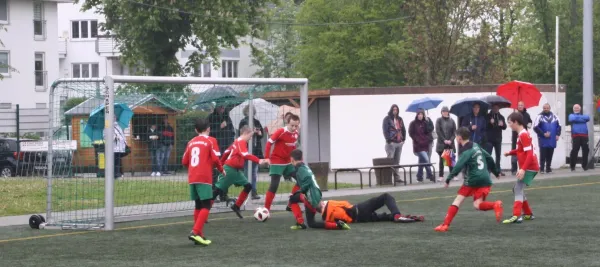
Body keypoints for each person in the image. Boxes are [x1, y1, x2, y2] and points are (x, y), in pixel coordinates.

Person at [434, 127, 503, 232]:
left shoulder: (465, 151)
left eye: (456, 136)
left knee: (458, 200)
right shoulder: (476, 145)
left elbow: (458, 166)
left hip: (472, 180)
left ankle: (445, 225)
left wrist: (448, 179)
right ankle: (495, 205)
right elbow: (489, 157)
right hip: (485, 178)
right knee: (477, 205)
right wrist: (496, 172)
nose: (456, 137)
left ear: (459, 138)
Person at [182, 118, 225, 246]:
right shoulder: (209, 142)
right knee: (206, 205)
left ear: (196, 130)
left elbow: (184, 161)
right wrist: (222, 170)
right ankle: (195, 232)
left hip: (192, 177)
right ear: (208, 129)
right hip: (204, 177)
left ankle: (200, 236)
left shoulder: (190, 142)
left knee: (198, 206)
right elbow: (216, 159)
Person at [287, 149, 350, 230]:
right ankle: (300, 222)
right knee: (293, 199)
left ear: (291, 159)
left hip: (311, 197)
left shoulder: (300, 170)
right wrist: (297, 192)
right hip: (314, 194)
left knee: (312, 223)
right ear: (302, 158)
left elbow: (308, 180)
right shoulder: (304, 167)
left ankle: (337, 225)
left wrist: (301, 191)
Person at [214, 126, 266, 219]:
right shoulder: (241, 142)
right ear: (245, 133)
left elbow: (226, 152)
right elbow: (245, 155)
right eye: (250, 136)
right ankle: (204, 209)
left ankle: (236, 206)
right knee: (218, 190)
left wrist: (220, 164)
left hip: (236, 170)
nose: (250, 138)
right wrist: (258, 160)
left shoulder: (236, 142)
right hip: (230, 169)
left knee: (248, 186)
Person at [503, 112, 539, 224]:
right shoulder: (523, 134)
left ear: (515, 122)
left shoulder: (523, 135)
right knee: (517, 189)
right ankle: (528, 214)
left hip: (530, 167)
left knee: (518, 188)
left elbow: (529, 153)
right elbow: (521, 150)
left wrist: (523, 169)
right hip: (530, 166)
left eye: (510, 123)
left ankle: (517, 215)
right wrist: (510, 152)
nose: (509, 125)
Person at [263, 114, 300, 211]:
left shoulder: (296, 133)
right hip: (277, 161)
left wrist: (296, 160)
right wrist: (267, 157)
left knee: (300, 180)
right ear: (287, 123)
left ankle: (290, 204)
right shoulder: (281, 131)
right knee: (274, 185)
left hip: (288, 162)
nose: (294, 128)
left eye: (296, 126)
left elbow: (293, 147)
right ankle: (266, 209)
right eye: (292, 125)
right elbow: (269, 143)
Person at [320, 193, 424, 224]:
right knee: (386, 197)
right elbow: (345, 203)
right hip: (359, 209)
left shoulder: (326, 218)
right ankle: (397, 215)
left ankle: (404, 218)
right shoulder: (330, 203)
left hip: (360, 220)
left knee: (385, 217)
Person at [238, 105, 264, 200]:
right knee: (246, 172)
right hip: (246, 149)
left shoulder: (257, 122)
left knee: (254, 172)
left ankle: (253, 191)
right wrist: (250, 132)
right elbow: (240, 135)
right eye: (249, 110)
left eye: (252, 110)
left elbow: (261, 134)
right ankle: (246, 191)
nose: (251, 112)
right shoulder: (243, 122)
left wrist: (259, 133)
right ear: (245, 111)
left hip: (256, 149)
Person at [533, 103, 561, 174]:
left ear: (549, 108)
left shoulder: (555, 116)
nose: (546, 109)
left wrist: (557, 134)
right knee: (543, 153)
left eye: (547, 108)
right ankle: (542, 168)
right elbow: (535, 127)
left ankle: (548, 168)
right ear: (543, 108)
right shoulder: (539, 116)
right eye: (544, 108)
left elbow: (559, 126)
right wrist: (543, 134)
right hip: (543, 138)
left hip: (552, 139)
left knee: (550, 153)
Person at [382, 104, 406, 183]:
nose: (395, 111)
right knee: (390, 161)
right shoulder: (387, 119)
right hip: (391, 143)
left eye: (396, 109)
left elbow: (403, 129)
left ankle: (397, 178)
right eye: (394, 109)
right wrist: (389, 140)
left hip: (399, 142)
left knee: (397, 161)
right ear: (391, 110)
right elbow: (385, 130)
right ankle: (387, 179)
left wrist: (403, 140)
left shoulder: (399, 119)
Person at [408, 110, 434, 182]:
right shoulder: (413, 123)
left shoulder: (425, 122)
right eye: (419, 114)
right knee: (426, 159)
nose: (420, 116)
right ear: (417, 115)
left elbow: (430, 129)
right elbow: (411, 133)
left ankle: (419, 176)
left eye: (421, 114)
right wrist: (417, 140)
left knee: (421, 161)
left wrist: (429, 120)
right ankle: (430, 175)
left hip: (425, 144)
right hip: (418, 146)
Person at [485, 104, 507, 176]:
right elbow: (485, 126)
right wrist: (489, 123)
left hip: (498, 139)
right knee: (488, 155)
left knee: (498, 155)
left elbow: (505, 127)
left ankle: (498, 170)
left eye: (497, 108)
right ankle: (488, 170)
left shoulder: (501, 117)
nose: (496, 109)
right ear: (492, 108)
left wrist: (502, 124)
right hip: (489, 139)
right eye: (494, 108)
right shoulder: (488, 116)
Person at [435, 106, 457, 181]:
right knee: (442, 160)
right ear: (441, 112)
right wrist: (444, 140)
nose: (444, 112)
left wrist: (450, 140)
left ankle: (453, 175)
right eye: (443, 111)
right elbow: (438, 131)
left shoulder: (452, 121)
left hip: (450, 143)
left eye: (446, 111)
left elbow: (454, 132)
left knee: (451, 160)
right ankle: (441, 176)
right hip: (441, 144)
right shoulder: (438, 120)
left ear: (448, 112)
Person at [511, 101, 532, 175]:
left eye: (521, 105)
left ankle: (523, 168)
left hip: (523, 136)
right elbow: (511, 123)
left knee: (524, 152)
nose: (520, 106)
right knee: (515, 151)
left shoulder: (527, 115)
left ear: (524, 106)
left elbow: (530, 122)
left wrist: (529, 125)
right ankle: (513, 169)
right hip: (515, 136)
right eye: (519, 105)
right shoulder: (514, 115)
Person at [568, 104, 590, 171]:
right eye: (575, 108)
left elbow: (588, 118)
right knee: (574, 151)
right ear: (573, 109)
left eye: (577, 108)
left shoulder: (584, 116)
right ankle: (572, 166)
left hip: (584, 136)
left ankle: (584, 166)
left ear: (580, 109)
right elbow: (572, 119)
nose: (576, 109)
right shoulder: (571, 115)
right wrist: (581, 119)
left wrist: (577, 119)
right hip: (576, 135)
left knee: (586, 150)